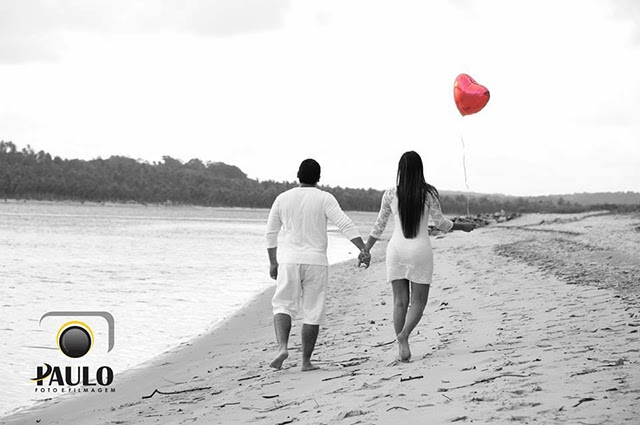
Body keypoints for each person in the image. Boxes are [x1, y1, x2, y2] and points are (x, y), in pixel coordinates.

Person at [361, 151, 474, 362]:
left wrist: (366, 249)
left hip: (396, 250)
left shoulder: (390, 194)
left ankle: (401, 347)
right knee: (418, 301)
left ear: (400, 170)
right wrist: (463, 226)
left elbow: (379, 226)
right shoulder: (429, 193)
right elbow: (441, 224)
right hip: (420, 250)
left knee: (399, 302)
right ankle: (404, 335)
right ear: (420, 169)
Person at [265, 158, 370, 371]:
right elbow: (344, 223)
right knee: (312, 311)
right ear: (319, 177)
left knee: (283, 305)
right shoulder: (324, 198)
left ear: (298, 175)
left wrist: (273, 262)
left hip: (289, 261)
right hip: (316, 262)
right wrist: (363, 249)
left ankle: (282, 347)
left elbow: (270, 233)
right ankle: (305, 362)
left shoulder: (282, 198)